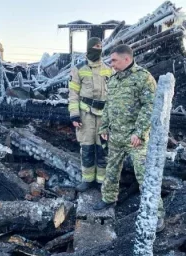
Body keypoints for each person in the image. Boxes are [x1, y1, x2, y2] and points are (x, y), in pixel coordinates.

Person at [92, 44, 165, 233]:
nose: (111, 64)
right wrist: (105, 126)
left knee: (144, 175)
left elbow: (150, 106)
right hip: (116, 135)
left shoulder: (143, 78)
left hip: (135, 139)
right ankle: (108, 199)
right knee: (111, 169)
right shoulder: (114, 79)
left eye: (114, 60)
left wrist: (139, 132)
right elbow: (109, 106)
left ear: (126, 59)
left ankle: (156, 214)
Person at [68, 37, 113, 192]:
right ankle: (87, 180)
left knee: (102, 149)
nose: (98, 48)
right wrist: (74, 115)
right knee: (87, 149)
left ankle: (101, 181)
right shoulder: (79, 69)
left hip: (104, 117)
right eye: (95, 46)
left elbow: (114, 94)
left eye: (100, 46)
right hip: (85, 116)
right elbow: (73, 94)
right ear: (88, 48)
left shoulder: (108, 69)